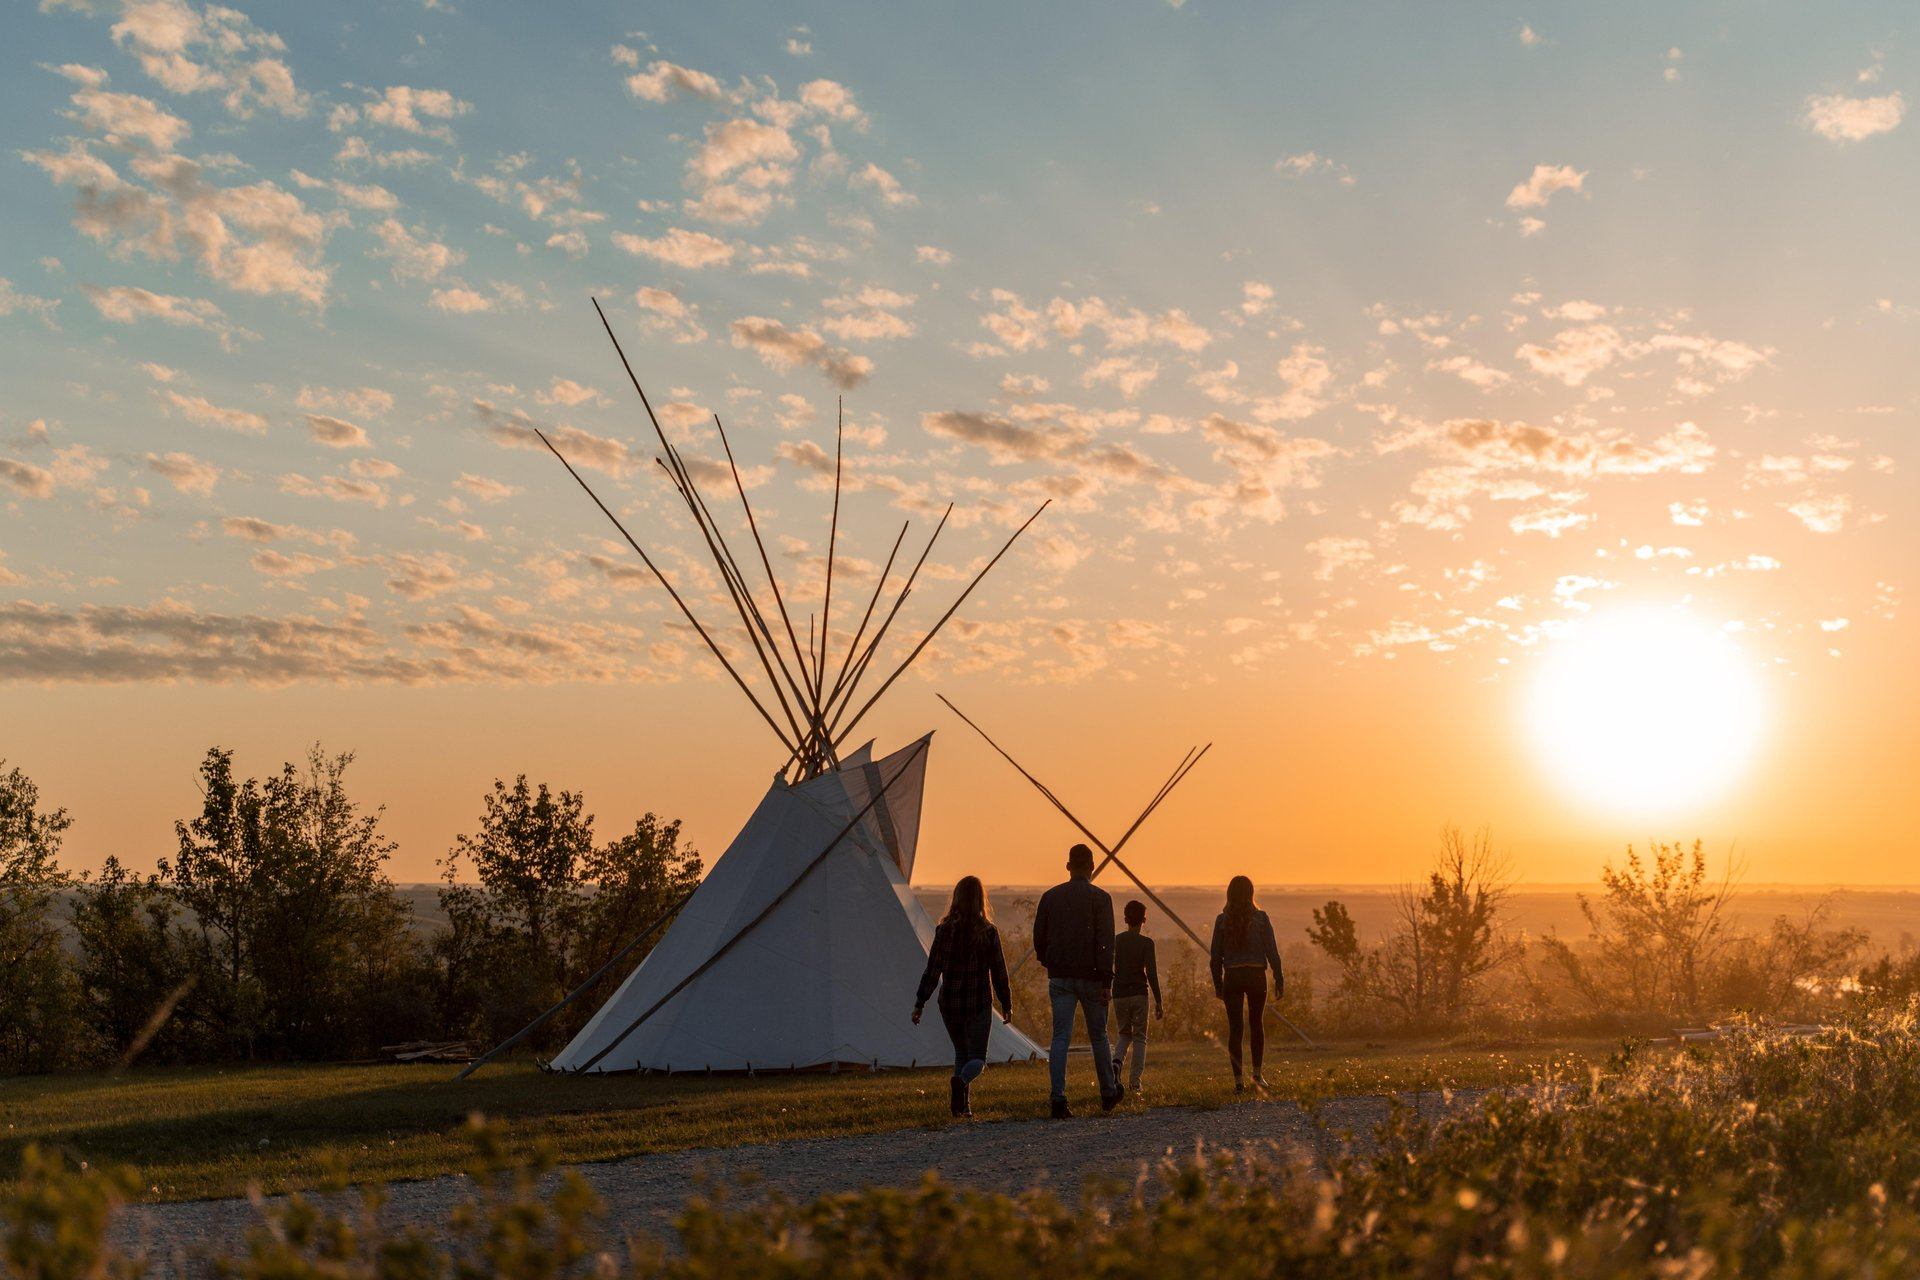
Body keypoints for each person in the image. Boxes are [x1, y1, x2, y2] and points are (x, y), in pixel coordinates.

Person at [1031, 842, 1120, 1117]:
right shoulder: (1101, 899)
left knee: (1060, 1037)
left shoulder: (1050, 897)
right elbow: (1106, 943)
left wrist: (1050, 961)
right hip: (1092, 977)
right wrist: (1107, 982)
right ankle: (1108, 1092)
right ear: (1092, 867)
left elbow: (1039, 937)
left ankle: (1058, 1098)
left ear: (1068, 866)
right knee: (1099, 1036)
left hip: (1060, 976)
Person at [913, 875, 1012, 1118]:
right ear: (981, 899)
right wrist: (1006, 1003)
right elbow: (999, 972)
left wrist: (920, 1003)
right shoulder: (988, 932)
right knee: (977, 1059)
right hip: (978, 1003)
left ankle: (962, 1108)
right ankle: (960, 1085)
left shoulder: (944, 930)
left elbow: (933, 970)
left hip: (950, 1004)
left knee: (961, 1054)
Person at [1209, 875, 1283, 1092]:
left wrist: (1218, 984)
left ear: (1229, 894)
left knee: (1235, 1029)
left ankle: (1238, 1081)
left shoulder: (1222, 921)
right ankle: (1258, 1075)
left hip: (1232, 976)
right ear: (1251, 893)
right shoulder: (1261, 918)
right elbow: (1272, 951)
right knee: (1256, 1024)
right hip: (1255, 975)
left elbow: (1215, 957)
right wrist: (1279, 977)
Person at [1109, 899, 1163, 1095]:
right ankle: (1134, 1083)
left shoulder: (1116, 941)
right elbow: (1152, 973)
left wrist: (1107, 989)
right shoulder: (1147, 943)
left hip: (1119, 994)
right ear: (1144, 920)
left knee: (1124, 1034)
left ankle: (1116, 1064)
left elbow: (1110, 969)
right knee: (1140, 1037)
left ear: (1125, 919)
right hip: (1139, 994)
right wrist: (1158, 1000)